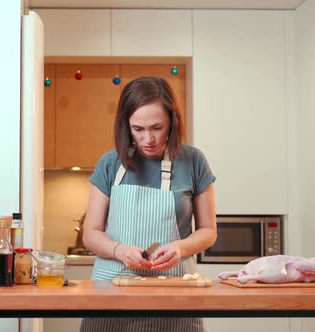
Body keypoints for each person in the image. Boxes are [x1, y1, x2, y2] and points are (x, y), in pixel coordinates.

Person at [80, 76, 217, 332]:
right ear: (126, 125)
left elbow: (208, 231)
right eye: (138, 129)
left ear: (172, 123)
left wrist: (180, 247)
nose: (148, 139)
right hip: (111, 294)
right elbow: (90, 234)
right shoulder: (110, 163)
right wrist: (120, 250)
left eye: (157, 127)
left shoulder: (193, 161)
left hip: (174, 296)